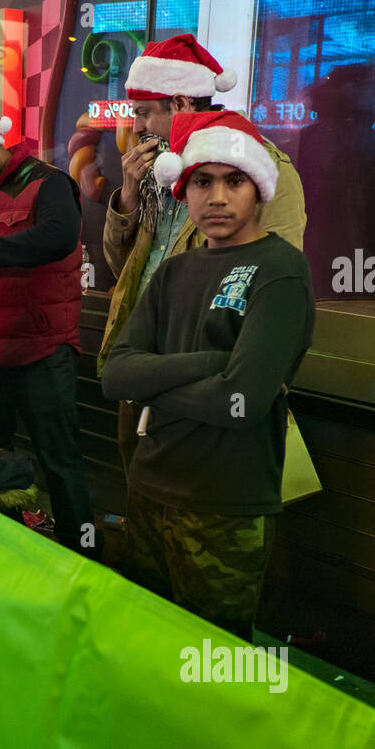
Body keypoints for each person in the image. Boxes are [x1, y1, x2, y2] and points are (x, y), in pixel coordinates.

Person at [100, 110, 315, 639]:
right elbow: (114, 376)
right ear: (184, 189)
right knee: (148, 646)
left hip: (224, 502)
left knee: (210, 663)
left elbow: (239, 401)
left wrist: (153, 382)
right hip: (148, 488)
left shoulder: (280, 268)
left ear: (258, 188)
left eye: (233, 180)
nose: (217, 196)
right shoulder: (175, 269)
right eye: (203, 181)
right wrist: (211, 364)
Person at [97, 34, 307, 478]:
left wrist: (214, 374)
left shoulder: (256, 165)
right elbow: (124, 271)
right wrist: (129, 198)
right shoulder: (163, 169)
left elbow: (270, 282)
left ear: (177, 103)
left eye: (142, 113)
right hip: (144, 362)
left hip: (210, 391)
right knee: (144, 497)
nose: (136, 127)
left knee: (207, 517)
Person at [0, 98, 96, 558]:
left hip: (41, 350)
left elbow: (59, 236)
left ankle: (81, 560)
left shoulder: (48, 183)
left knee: (60, 464)